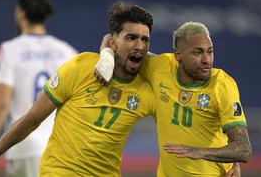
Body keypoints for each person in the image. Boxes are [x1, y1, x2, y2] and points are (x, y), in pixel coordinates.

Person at [0, 1, 155, 177]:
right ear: (113, 42)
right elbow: (32, 119)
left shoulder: (148, 88)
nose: (139, 45)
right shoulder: (77, 63)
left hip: (40, 155)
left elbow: (2, 102)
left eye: (144, 40)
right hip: (57, 168)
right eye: (131, 37)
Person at [95, 21, 251, 176]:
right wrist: (106, 59)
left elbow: (243, 149)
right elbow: (112, 41)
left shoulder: (222, 85)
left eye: (209, 51)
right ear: (178, 55)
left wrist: (201, 152)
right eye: (197, 52)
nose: (206, 60)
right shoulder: (161, 68)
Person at [0, 0, 78, 176]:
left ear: (21, 13)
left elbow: (1, 102)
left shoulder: (9, 50)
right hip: (60, 151)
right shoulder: (67, 51)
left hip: (24, 147)